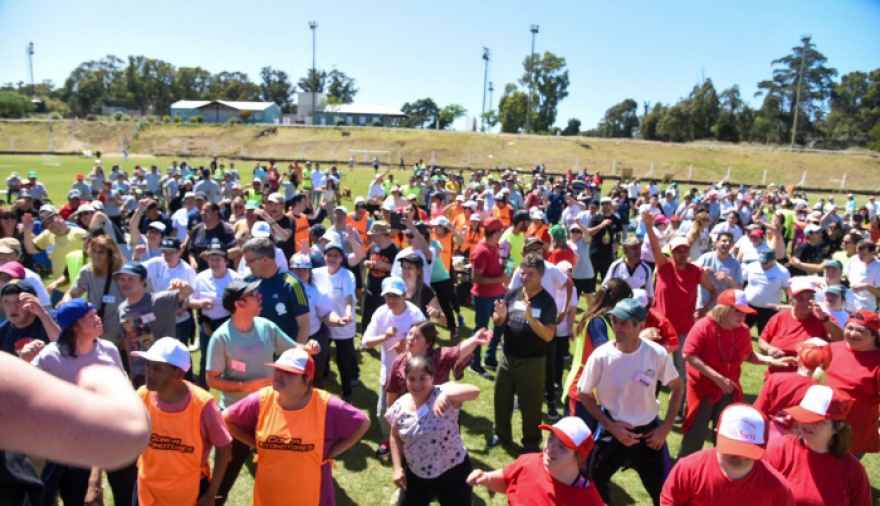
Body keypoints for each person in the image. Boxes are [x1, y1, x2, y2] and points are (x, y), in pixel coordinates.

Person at [223, 348, 370, 506]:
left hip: (313, 497)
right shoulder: (262, 400)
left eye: (289, 372)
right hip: (270, 495)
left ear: (306, 380)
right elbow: (227, 418)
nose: (279, 374)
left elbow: (363, 422)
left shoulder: (326, 405)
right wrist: (256, 444)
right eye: (278, 369)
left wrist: (333, 451)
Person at [31, 299, 139, 506]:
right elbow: (27, 388)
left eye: (95, 314)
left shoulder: (109, 350)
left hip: (114, 438)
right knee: (77, 499)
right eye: (90, 318)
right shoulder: (50, 357)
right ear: (74, 326)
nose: (98, 319)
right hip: (74, 446)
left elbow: (124, 389)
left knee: (126, 496)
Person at [577, 298, 683, 506]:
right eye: (614, 321)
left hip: (649, 434)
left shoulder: (656, 353)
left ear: (640, 326)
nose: (617, 327)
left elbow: (678, 388)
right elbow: (584, 393)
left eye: (623, 323)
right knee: (594, 485)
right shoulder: (601, 356)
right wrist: (611, 426)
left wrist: (666, 428)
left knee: (664, 493)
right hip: (612, 429)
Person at [206, 280, 301, 504]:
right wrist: (246, 387)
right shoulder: (221, 338)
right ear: (239, 304)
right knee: (225, 473)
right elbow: (212, 379)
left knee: (276, 466)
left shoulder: (266, 326)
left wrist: (307, 348)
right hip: (235, 416)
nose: (259, 297)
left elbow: (293, 348)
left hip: (269, 411)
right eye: (253, 294)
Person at [678, 289, 796, 458]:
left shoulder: (742, 330)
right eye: (737, 311)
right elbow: (688, 354)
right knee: (695, 435)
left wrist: (771, 361)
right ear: (723, 310)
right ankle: (683, 474)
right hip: (702, 390)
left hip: (729, 389)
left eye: (744, 312)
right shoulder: (704, 326)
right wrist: (717, 378)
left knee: (726, 434)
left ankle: (721, 473)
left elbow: (748, 355)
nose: (742, 316)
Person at [133, 337, 232, 506]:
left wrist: (211, 494)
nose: (148, 372)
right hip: (147, 493)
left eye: (157, 368)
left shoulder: (203, 405)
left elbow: (224, 449)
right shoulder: (142, 395)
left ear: (178, 374)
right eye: (148, 365)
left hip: (188, 496)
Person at [386, 355, 480, 505]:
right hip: (416, 474)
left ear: (432, 377)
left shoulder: (443, 392)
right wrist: (397, 468)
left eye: (422, 378)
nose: (416, 384)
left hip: (453, 472)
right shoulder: (399, 406)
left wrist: (447, 395)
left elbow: (475, 391)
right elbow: (395, 437)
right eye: (411, 378)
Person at [487, 253, 558, 453]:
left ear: (541, 275)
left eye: (530, 274)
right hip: (507, 359)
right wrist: (498, 318)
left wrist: (531, 319)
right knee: (501, 399)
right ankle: (501, 434)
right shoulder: (513, 294)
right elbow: (499, 319)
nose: (525, 278)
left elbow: (549, 336)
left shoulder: (547, 302)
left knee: (531, 405)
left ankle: (531, 442)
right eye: (523, 273)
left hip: (532, 363)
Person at [661, 404, 795, 506]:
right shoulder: (688, 469)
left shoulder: (778, 488)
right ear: (716, 434)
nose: (739, 456)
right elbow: (670, 502)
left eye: (747, 449)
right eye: (733, 447)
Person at [763, 384, 871, 505]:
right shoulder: (779, 449)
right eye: (805, 416)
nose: (807, 424)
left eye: (819, 422)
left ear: (838, 427)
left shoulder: (853, 471)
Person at [466, 416, 604, 505]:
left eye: (562, 447)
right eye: (551, 438)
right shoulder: (530, 462)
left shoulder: (588, 500)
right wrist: (486, 478)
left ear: (579, 458)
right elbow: (508, 479)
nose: (551, 448)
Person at [362, 276, 427, 457]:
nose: (391, 300)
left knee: (413, 411)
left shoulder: (415, 315)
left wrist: (406, 348)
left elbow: (428, 343)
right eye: (388, 296)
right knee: (383, 412)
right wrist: (384, 337)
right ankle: (389, 440)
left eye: (395, 296)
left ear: (405, 295)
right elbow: (365, 342)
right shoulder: (381, 313)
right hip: (389, 373)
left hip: (412, 374)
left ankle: (411, 443)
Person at [115, 261, 192, 386]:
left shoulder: (159, 301)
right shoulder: (121, 309)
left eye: (130, 279)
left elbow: (188, 290)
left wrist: (182, 284)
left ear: (143, 281)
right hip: (139, 374)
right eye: (122, 279)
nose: (125, 283)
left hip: (164, 372)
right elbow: (128, 342)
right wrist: (131, 372)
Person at [824, 310, 880, 455]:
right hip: (821, 425)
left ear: (875, 335)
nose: (853, 333)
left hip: (853, 434)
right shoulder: (832, 348)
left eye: (860, 330)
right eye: (850, 328)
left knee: (840, 473)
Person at [758, 277, 843, 373]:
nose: (806, 302)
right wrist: (769, 349)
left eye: (810, 298)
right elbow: (763, 340)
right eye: (801, 299)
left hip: (808, 377)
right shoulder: (779, 317)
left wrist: (824, 319)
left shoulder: (822, 317)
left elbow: (839, 338)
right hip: (777, 374)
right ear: (791, 301)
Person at [754, 338, 833, 439]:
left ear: (799, 358)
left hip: (768, 436)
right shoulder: (824, 391)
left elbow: (757, 411)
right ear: (826, 365)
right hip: (800, 440)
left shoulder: (776, 378)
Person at [190, 242, 243, 388]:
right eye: (211, 259)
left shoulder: (236, 279)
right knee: (206, 357)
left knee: (233, 357)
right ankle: (203, 388)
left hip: (228, 324)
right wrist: (200, 304)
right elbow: (190, 301)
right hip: (207, 323)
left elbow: (245, 302)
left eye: (218, 259)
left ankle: (236, 385)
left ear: (226, 261)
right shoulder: (201, 278)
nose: (214, 263)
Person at [61, 234, 126, 348]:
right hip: (95, 329)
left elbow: (134, 302)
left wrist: (128, 331)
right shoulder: (87, 271)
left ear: (110, 255)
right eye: (94, 251)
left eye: (101, 252)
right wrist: (66, 304)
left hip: (118, 330)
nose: (96, 255)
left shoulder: (122, 273)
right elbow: (72, 294)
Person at [242, 237, 310, 344]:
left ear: (265, 260)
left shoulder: (292, 284)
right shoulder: (248, 280)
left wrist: (295, 354)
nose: (246, 265)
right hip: (255, 347)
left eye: (249, 261)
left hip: (284, 350)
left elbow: (304, 325)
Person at [21, 206, 88, 305]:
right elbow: (31, 249)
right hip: (59, 288)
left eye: (51, 220)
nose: (51, 225)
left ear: (60, 217)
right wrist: (27, 230)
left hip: (80, 289)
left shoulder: (80, 234)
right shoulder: (47, 235)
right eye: (47, 224)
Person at [468, 217, 508, 377]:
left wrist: (504, 269)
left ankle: (489, 358)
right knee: (481, 330)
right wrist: (501, 279)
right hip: (483, 297)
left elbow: (496, 266)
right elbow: (476, 278)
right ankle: (474, 363)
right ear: (496, 231)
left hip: (497, 294)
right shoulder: (481, 251)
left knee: (500, 324)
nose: (503, 232)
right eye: (501, 230)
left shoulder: (495, 246)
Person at [0, 281, 60, 358]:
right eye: (6, 302)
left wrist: (42, 314)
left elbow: (64, 347)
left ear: (33, 301)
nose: (12, 308)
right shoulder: (2, 331)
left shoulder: (53, 319)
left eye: (18, 301)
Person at [744, 249, 791, 334]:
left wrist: (791, 303)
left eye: (765, 263)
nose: (762, 264)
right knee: (740, 331)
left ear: (773, 260)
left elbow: (787, 290)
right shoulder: (751, 266)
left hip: (768, 310)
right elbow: (742, 281)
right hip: (749, 306)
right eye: (761, 262)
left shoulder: (783, 272)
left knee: (764, 335)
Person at [603, 236, 654, 306]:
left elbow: (650, 293)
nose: (638, 251)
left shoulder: (646, 269)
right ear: (625, 251)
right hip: (618, 305)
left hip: (636, 307)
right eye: (634, 248)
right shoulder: (616, 266)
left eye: (639, 248)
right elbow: (605, 287)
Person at [843, 240, 880, 312]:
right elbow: (846, 275)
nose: (859, 256)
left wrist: (866, 286)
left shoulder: (878, 266)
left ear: (873, 253)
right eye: (858, 253)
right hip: (848, 305)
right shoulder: (854, 259)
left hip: (867, 308)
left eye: (863, 254)